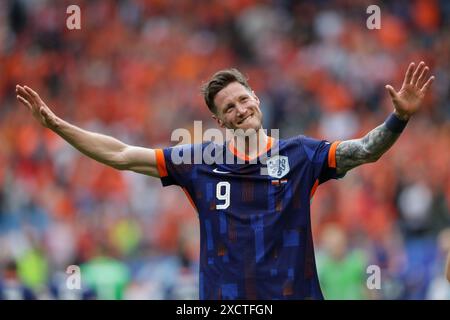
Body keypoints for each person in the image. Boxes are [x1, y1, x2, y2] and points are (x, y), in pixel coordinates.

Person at [16, 61, 434, 299]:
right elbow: (122, 155)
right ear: (218, 120)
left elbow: (365, 150)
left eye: (242, 99)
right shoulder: (199, 161)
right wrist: (57, 125)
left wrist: (398, 118)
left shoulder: (301, 154)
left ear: (255, 96)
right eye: (228, 107)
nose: (239, 109)